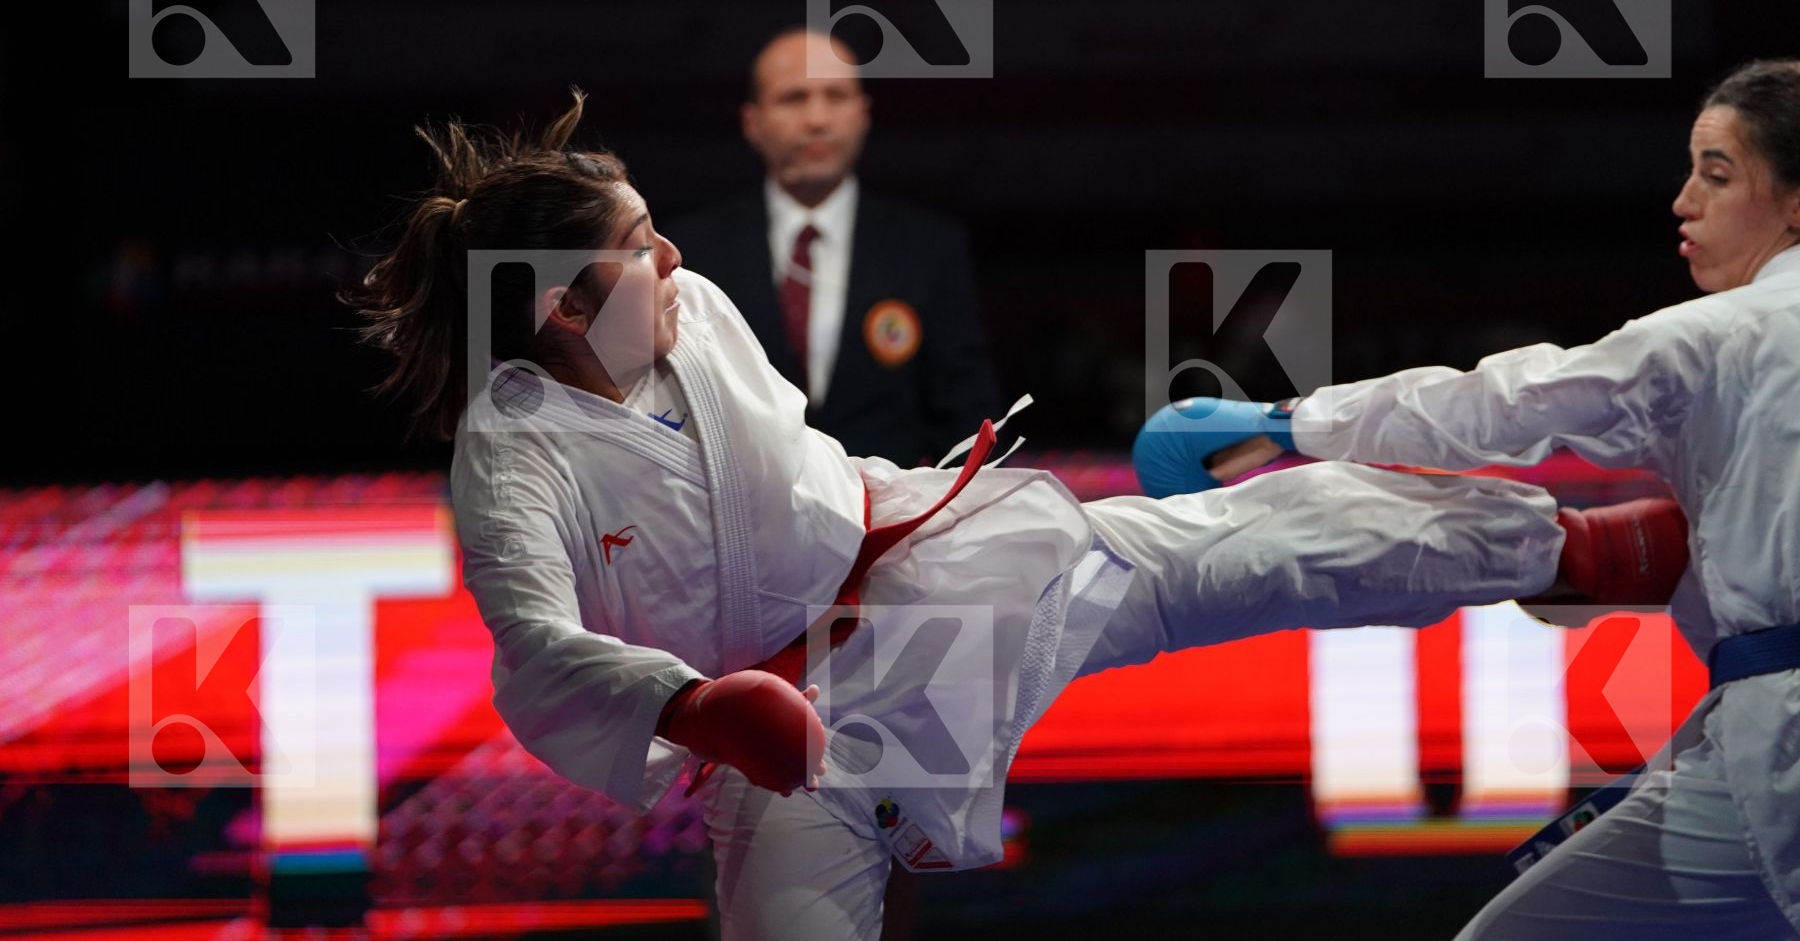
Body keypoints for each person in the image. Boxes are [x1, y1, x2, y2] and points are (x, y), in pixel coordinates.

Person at [353, 91, 1684, 941]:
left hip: (939, 568)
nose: (675, 257)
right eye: (636, 247)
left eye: (656, 229)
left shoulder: (686, 317)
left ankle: (1573, 545)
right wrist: (684, 702)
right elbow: (531, 638)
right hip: (798, 732)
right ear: (559, 310)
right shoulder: (514, 452)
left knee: (1259, 541)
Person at [1135, 58, 1800, 939]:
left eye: (1716, 175)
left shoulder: (1727, 332)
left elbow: (1506, 405)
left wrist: (1286, 426)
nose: (1684, 200)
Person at [666, 28, 999, 466]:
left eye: (836, 96)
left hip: (896, 523)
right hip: (732, 519)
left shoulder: (929, 249)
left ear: (862, 114)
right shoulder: (689, 252)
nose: (817, 119)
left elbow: (969, 418)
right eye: (794, 98)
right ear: (753, 122)